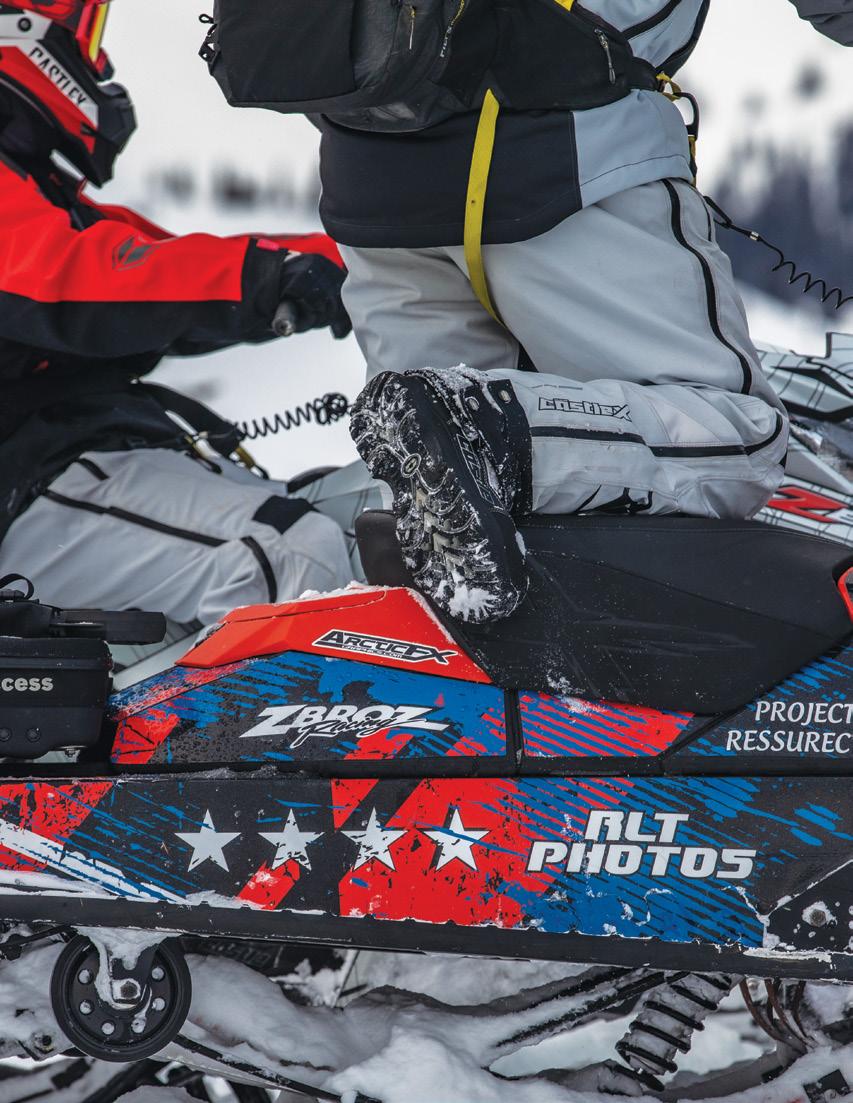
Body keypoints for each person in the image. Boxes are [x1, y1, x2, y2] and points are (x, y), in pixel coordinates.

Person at [319, 0, 853, 623]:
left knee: (468, 516)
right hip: (559, 153)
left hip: (370, 183)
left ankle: (487, 636)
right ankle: (478, 427)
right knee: (742, 441)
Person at [0, 0, 354, 625]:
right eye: (88, 36)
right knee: (290, 559)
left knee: (360, 526)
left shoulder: (38, 198)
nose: (98, 63)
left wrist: (361, 257)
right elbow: (83, 278)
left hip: (65, 472)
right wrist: (267, 278)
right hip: (28, 488)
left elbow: (155, 265)